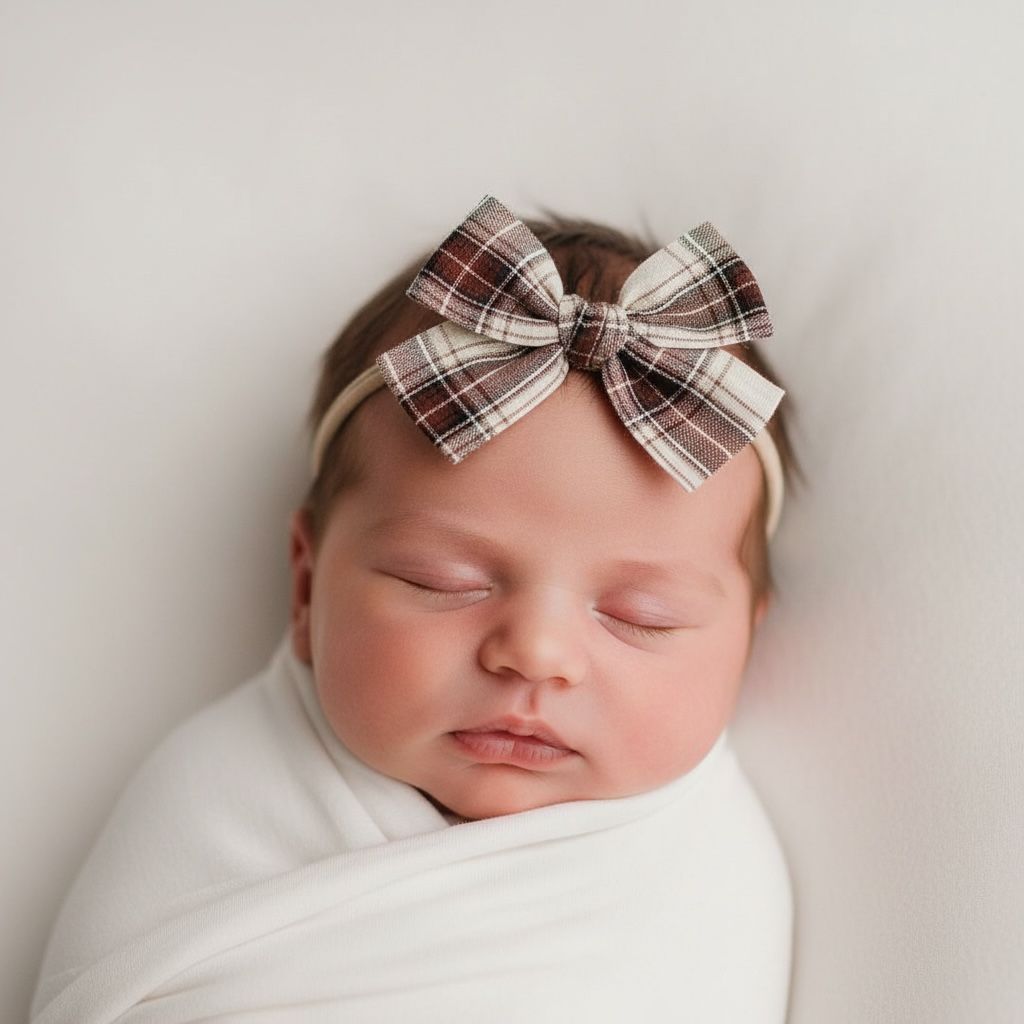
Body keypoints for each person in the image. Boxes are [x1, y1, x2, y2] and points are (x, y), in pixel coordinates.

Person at [32, 197, 795, 1023]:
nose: (535, 652)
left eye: (642, 614)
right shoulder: (219, 799)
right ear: (305, 585)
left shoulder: (705, 880)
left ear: (745, 644)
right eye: (441, 580)